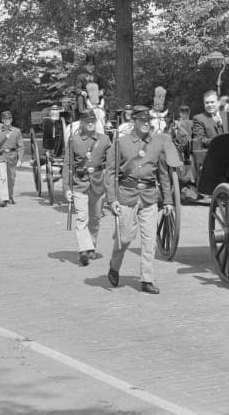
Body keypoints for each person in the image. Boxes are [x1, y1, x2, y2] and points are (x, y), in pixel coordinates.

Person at [101, 105, 180, 294]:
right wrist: (112, 199)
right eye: (142, 121)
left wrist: (168, 200)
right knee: (125, 237)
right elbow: (110, 172)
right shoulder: (120, 143)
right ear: (134, 121)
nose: (145, 124)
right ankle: (114, 265)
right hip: (127, 196)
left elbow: (163, 174)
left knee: (149, 240)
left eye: (148, 121)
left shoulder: (156, 143)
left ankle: (147, 279)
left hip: (149, 197)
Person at [67, 112, 107, 266]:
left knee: (95, 219)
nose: (90, 123)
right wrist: (66, 187)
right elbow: (67, 165)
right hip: (80, 182)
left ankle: (92, 245)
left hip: (97, 182)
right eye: (87, 121)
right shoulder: (74, 140)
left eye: (92, 121)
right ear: (82, 123)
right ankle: (83, 250)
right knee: (82, 218)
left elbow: (111, 164)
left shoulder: (104, 140)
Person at [191, 90, 226, 187]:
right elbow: (200, 139)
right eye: (207, 103)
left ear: (218, 103)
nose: (210, 105)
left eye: (212, 102)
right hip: (212, 153)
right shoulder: (199, 118)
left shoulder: (227, 116)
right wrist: (218, 142)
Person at [0, 110, 23, 206]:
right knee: (2, 178)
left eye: (8, 119)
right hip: (1, 156)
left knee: (11, 178)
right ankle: (4, 199)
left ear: (11, 119)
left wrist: (20, 159)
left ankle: (10, 196)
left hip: (12, 156)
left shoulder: (17, 131)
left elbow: (20, 146)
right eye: (5, 119)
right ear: (2, 120)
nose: (7, 120)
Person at [170, 104, 197, 201]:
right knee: (180, 170)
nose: (184, 113)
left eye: (186, 112)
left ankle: (190, 191)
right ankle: (181, 192)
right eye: (182, 112)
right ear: (179, 112)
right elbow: (171, 137)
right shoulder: (175, 123)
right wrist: (174, 130)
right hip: (178, 151)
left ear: (188, 112)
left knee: (191, 169)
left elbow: (195, 136)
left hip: (190, 151)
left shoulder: (192, 123)